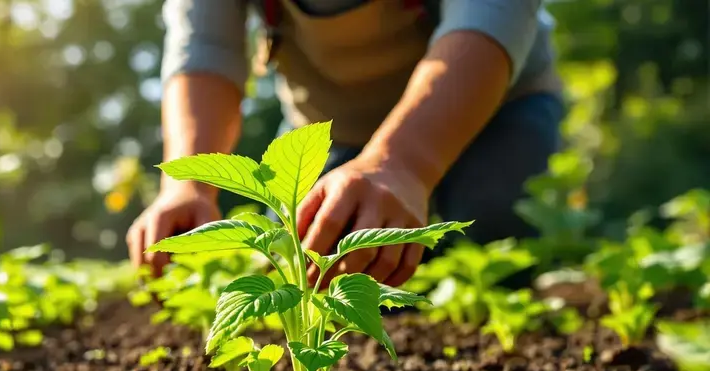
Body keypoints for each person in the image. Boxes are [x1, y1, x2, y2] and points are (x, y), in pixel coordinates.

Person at [127, 0, 566, 287]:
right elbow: (205, 46)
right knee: (300, 268)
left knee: (494, 224)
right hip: (335, 130)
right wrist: (188, 186)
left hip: (495, 106)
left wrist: (404, 166)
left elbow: (489, 17)